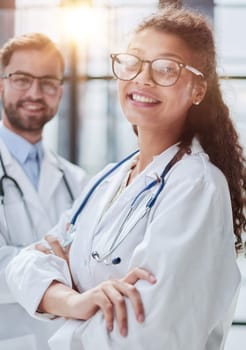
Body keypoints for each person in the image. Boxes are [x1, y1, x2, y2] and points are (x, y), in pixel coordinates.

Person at [6, 6, 246, 350]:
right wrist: (74, 302)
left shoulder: (195, 187)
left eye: (166, 68)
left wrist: (59, 303)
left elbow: (146, 336)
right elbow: (24, 264)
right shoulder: (109, 178)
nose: (143, 79)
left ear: (197, 89)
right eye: (133, 62)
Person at [0, 33, 87, 350]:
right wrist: (57, 262)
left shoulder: (76, 180)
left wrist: (25, 259)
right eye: (22, 79)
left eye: (48, 82)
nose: (35, 93)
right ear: (1, 84)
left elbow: (89, 268)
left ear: (60, 93)